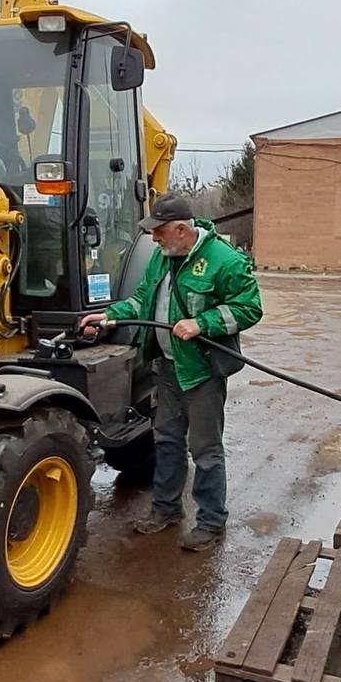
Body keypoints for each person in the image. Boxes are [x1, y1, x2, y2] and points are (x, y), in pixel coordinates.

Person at [79, 192, 262, 551]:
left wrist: (202, 323)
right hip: (167, 367)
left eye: (159, 232)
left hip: (201, 370)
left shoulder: (223, 261)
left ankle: (211, 522)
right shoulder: (162, 259)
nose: (153, 238)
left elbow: (249, 307)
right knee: (166, 441)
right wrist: (110, 315)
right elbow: (143, 297)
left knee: (205, 449)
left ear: (180, 230)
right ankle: (166, 509)